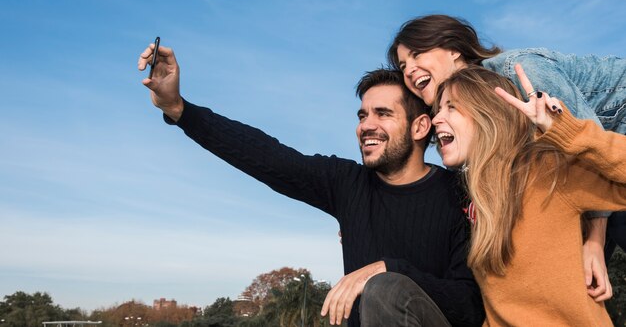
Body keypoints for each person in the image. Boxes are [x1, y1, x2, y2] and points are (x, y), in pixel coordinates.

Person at [138, 42, 484, 327]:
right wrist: (178, 107)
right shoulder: (347, 183)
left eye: (383, 114)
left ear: (421, 127)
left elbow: (468, 304)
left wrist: (388, 269)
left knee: (384, 289)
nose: (366, 125)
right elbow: (265, 156)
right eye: (362, 116)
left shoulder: (461, 195)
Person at [387, 13, 626, 299]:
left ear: (453, 49)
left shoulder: (518, 72)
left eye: (417, 55)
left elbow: (591, 143)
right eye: (403, 66)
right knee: (576, 277)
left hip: (612, 141)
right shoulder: (464, 116)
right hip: (598, 160)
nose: (410, 70)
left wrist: (596, 242)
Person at [431, 63, 626, 326]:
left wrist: (565, 130)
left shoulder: (545, 170)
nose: (436, 119)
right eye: (439, 109)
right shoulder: (477, 199)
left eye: (451, 106)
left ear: (488, 114)